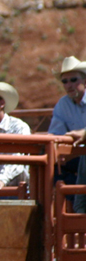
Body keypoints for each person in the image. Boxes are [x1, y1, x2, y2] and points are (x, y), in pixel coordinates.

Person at [49, 56, 86, 185]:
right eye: (64, 81)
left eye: (73, 80)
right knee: (51, 168)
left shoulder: (62, 105)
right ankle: (77, 198)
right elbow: (55, 135)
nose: (68, 85)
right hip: (78, 157)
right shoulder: (63, 104)